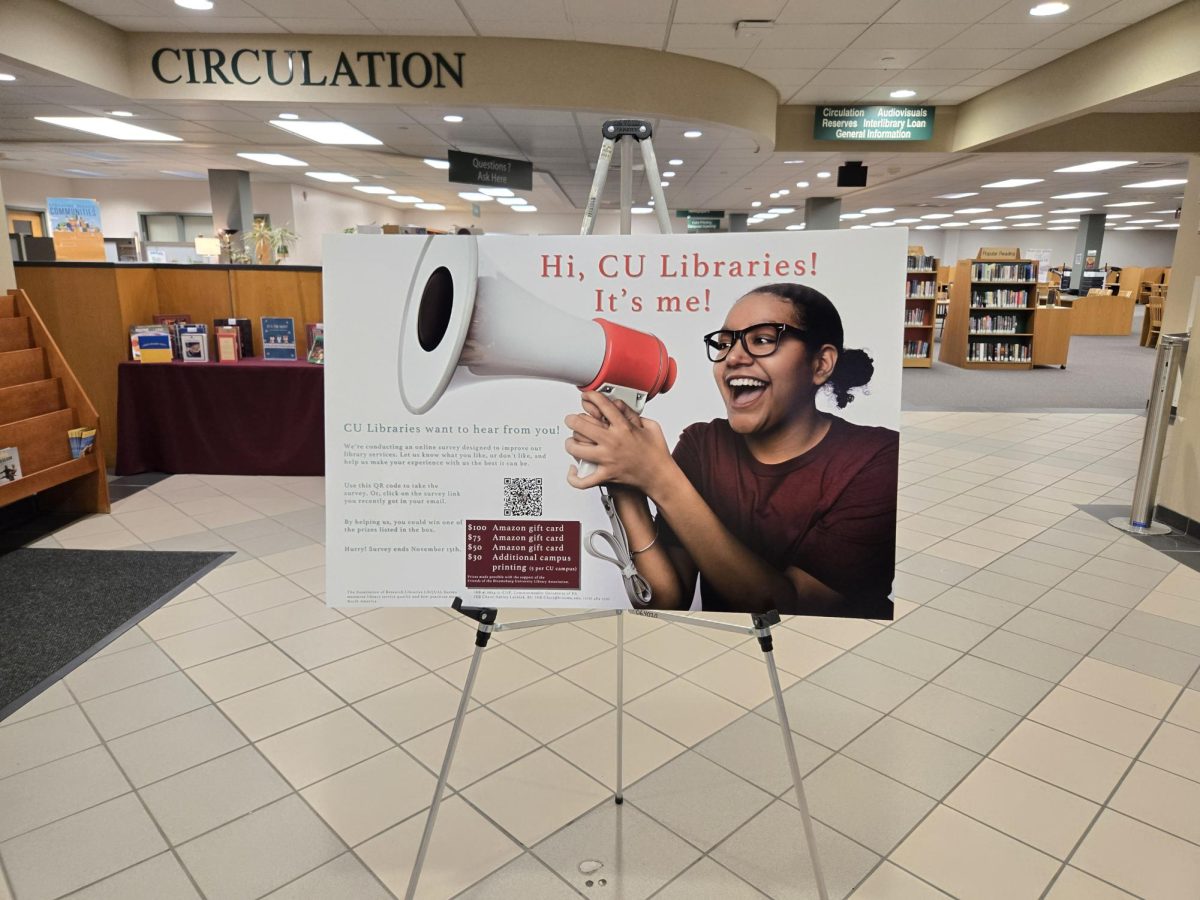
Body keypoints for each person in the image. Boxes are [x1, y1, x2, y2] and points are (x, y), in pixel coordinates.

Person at [565, 282, 897, 618]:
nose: (733, 357)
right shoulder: (704, 445)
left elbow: (793, 613)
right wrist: (624, 480)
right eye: (724, 344)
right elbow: (665, 599)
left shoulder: (875, 458)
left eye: (763, 340)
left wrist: (659, 478)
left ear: (821, 364)